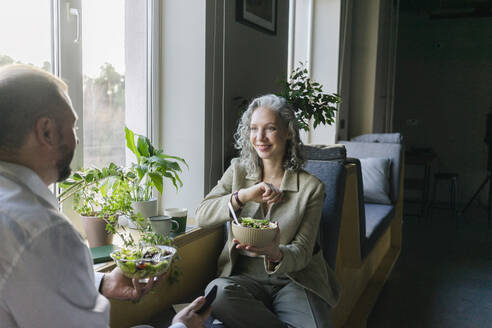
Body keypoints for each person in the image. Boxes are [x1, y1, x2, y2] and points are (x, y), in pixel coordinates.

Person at [0, 64, 210, 328]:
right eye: (74, 128)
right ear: (47, 132)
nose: (77, 141)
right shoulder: (45, 233)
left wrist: (102, 282)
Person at [195, 94, 341, 328]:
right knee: (216, 292)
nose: (259, 137)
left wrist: (276, 253)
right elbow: (203, 215)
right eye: (254, 129)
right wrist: (244, 195)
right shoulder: (238, 171)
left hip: (293, 279)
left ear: (288, 132)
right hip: (243, 278)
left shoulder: (311, 188)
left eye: (270, 128)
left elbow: (303, 252)